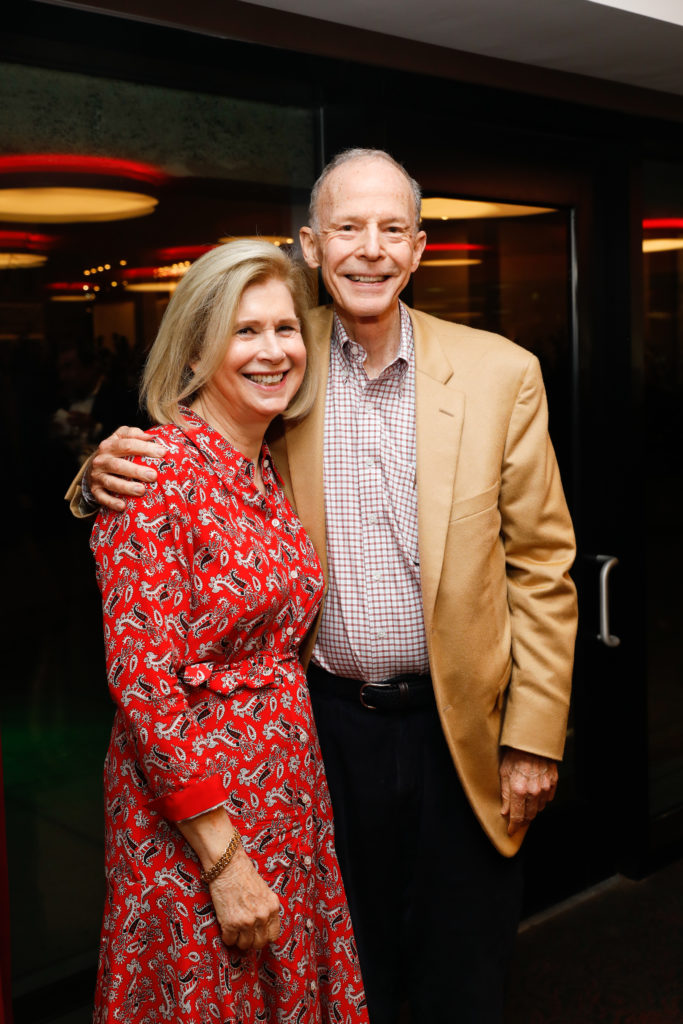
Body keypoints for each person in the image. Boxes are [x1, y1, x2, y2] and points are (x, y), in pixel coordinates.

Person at [67, 149, 578, 1024]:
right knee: (344, 972)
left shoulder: (499, 373)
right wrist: (92, 476)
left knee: (464, 971)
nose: (369, 250)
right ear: (312, 244)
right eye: (346, 228)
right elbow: (181, 467)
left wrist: (533, 735)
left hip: (461, 730)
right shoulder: (282, 359)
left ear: (419, 249)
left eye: (391, 230)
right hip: (324, 730)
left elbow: (542, 564)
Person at [85, 239, 369, 1023]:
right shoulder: (151, 475)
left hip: (287, 793)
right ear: (197, 346)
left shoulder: (262, 463)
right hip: (195, 823)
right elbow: (144, 687)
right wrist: (225, 861)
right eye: (246, 332)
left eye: (286, 330)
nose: (273, 351)